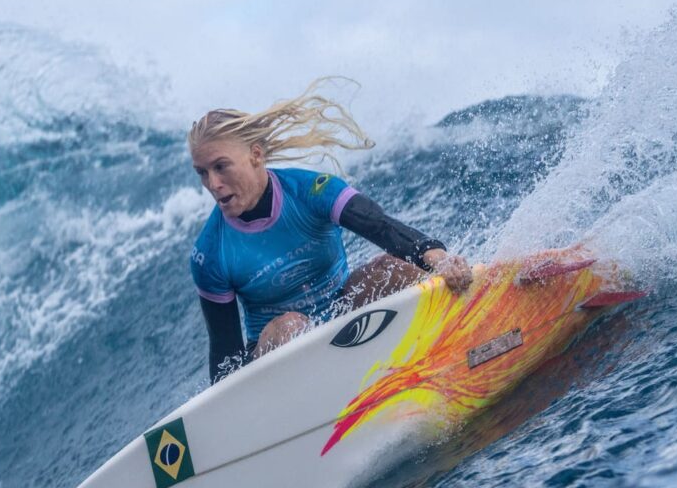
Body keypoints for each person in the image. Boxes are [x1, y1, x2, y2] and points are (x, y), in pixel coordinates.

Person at [188, 80, 473, 383]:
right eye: (202, 172)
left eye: (221, 167)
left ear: (255, 155)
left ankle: (462, 330)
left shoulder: (309, 191)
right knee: (291, 326)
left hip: (346, 318)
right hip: (280, 358)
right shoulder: (211, 253)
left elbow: (382, 227)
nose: (213, 184)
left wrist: (440, 259)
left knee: (386, 270)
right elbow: (225, 363)